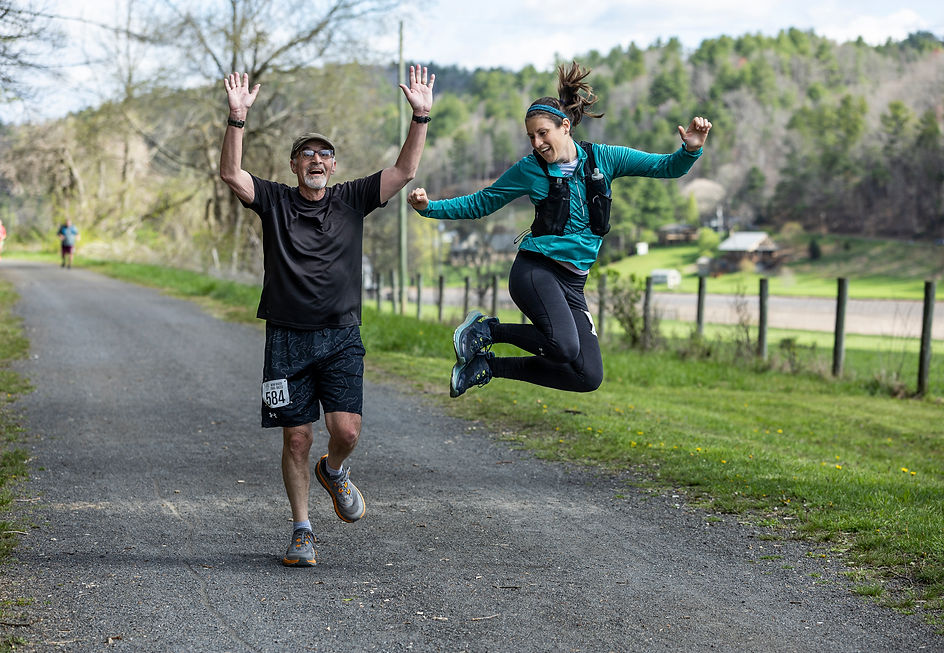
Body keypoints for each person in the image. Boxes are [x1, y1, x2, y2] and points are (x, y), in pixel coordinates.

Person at [219, 66, 435, 567]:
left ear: (334, 166)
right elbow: (231, 174)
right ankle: (302, 531)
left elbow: (403, 172)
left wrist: (420, 116)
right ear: (294, 166)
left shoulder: (352, 199)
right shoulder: (274, 201)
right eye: (307, 154)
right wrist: (236, 120)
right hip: (287, 340)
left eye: (324, 154)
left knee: (347, 431)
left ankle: (334, 471)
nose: (316, 160)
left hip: (341, 335)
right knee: (296, 435)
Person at [408, 61, 710, 398]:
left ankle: (487, 367)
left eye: (543, 133)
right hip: (536, 271)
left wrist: (691, 149)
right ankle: (487, 330)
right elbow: (482, 202)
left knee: (587, 375)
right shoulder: (529, 170)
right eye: (531, 137)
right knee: (564, 347)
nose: (536, 143)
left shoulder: (605, 159)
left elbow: (664, 168)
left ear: (565, 126)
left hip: (573, 283)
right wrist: (429, 207)